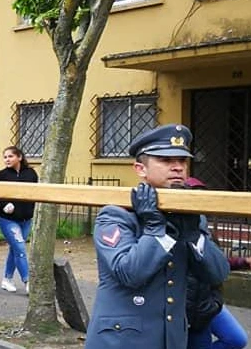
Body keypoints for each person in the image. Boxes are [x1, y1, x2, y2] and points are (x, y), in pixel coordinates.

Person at [85, 124, 230, 349]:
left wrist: (194, 236)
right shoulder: (116, 214)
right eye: (165, 160)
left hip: (169, 339)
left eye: (182, 161)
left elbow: (218, 273)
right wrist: (155, 228)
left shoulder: (190, 216)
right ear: (141, 169)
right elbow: (129, 273)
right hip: (121, 340)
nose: (177, 168)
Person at [183, 177, 248, 349]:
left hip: (208, 301)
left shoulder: (205, 230)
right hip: (191, 308)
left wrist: (244, 261)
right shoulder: (177, 229)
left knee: (236, 339)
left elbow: (214, 263)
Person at [0, 145, 38, 293]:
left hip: (26, 219)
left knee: (15, 249)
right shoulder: (1, 175)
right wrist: (4, 205)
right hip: (8, 219)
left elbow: (35, 192)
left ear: (19, 157)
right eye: (5, 157)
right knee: (20, 248)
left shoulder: (31, 174)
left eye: (10, 156)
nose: (7, 159)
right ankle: (28, 281)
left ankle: (7, 279)